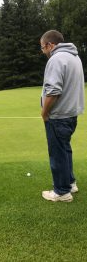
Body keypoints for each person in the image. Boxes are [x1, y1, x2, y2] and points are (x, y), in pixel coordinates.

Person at [40, 30, 85, 202]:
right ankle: (70, 183)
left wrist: (44, 112)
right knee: (65, 149)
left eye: (43, 47)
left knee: (57, 152)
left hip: (58, 116)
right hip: (71, 114)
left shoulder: (56, 59)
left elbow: (53, 91)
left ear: (50, 45)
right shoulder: (75, 58)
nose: (43, 51)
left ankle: (61, 192)